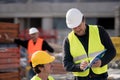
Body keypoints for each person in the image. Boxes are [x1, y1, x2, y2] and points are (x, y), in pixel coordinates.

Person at [63, 8, 116, 80]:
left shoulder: (99, 31)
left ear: (84, 20)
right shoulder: (68, 40)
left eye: (79, 26)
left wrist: (102, 62)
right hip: (80, 78)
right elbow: (66, 64)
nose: (78, 29)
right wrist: (79, 67)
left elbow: (112, 51)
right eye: (74, 28)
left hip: (100, 77)